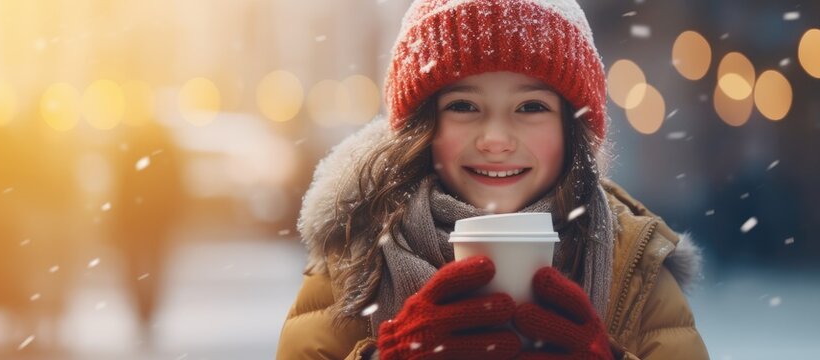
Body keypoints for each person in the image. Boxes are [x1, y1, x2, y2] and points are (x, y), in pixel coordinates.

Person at [277, 0, 709, 359]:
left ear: (570, 129)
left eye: (530, 107)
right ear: (423, 127)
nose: (496, 140)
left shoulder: (634, 268)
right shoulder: (353, 263)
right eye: (464, 106)